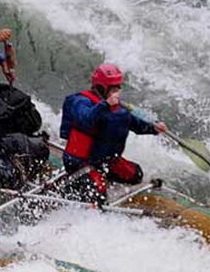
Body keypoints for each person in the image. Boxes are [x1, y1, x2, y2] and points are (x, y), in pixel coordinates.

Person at [58, 63, 168, 203]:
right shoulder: (80, 101)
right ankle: (79, 187)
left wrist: (154, 128)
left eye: (118, 87)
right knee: (98, 196)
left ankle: (103, 177)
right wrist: (105, 105)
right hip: (81, 163)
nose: (117, 91)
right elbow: (85, 119)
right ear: (101, 87)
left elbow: (135, 123)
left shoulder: (118, 108)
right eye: (113, 87)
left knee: (136, 175)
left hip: (107, 161)